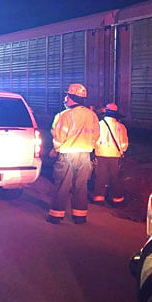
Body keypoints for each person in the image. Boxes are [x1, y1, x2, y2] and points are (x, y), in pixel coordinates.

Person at [47, 83, 100, 225]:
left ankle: (56, 216)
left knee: (62, 185)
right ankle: (80, 216)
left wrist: (56, 150)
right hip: (85, 156)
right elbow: (96, 135)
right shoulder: (92, 115)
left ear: (71, 97)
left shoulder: (63, 115)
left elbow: (58, 137)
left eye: (66, 95)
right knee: (81, 186)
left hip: (67, 155)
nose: (65, 98)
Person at [92, 103, 129, 205]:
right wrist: (121, 151)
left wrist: (96, 150)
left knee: (100, 176)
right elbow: (124, 143)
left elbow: (93, 140)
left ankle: (99, 198)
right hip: (115, 156)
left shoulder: (98, 125)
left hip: (101, 154)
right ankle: (117, 199)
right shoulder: (121, 127)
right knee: (115, 177)